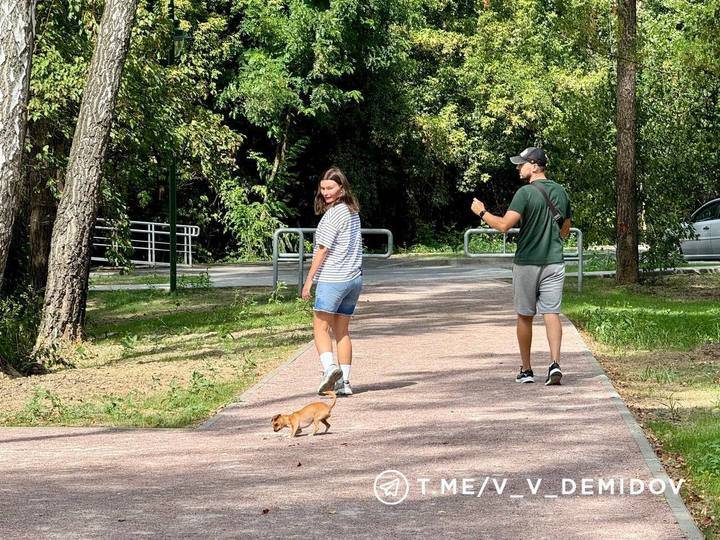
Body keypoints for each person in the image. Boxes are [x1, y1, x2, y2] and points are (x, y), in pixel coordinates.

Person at [470, 147, 572, 385]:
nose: (518, 168)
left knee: (525, 315)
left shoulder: (525, 193)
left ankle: (526, 370)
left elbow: (504, 225)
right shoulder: (561, 192)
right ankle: (554, 364)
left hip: (527, 262)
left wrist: (482, 212)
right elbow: (565, 231)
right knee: (551, 313)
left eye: (522, 164)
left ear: (535, 166)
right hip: (554, 262)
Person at [301, 166, 363, 396]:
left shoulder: (332, 215)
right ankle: (344, 382)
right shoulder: (352, 211)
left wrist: (309, 282)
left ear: (341, 188)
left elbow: (322, 250)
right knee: (342, 331)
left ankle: (329, 369)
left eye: (330, 188)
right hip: (354, 279)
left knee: (320, 327)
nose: (326, 192)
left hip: (333, 278)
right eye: (323, 188)